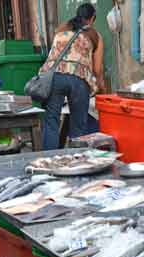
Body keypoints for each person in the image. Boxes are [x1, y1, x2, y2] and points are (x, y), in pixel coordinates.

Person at [39, 3, 105, 150]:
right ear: (92, 18)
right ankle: (76, 165)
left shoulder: (60, 31)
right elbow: (98, 69)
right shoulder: (95, 36)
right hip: (79, 79)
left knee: (51, 122)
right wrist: (102, 87)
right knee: (78, 126)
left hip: (54, 77)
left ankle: (48, 164)